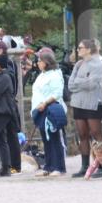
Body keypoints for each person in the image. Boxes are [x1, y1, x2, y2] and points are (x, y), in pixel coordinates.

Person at [69, 39, 102, 177]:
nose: (78, 50)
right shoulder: (78, 64)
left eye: (80, 48)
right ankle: (84, 166)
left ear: (89, 50)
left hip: (92, 103)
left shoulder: (97, 65)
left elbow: (92, 84)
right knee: (82, 135)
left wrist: (79, 82)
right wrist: (82, 81)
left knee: (96, 134)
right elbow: (70, 84)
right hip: (78, 103)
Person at [30, 49, 68, 177]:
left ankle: (59, 167)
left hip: (50, 109)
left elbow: (57, 93)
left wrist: (45, 103)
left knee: (54, 138)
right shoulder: (42, 74)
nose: (37, 63)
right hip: (40, 110)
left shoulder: (55, 75)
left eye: (39, 61)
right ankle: (49, 166)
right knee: (46, 139)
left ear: (46, 62)